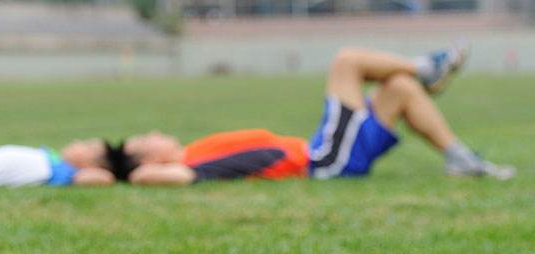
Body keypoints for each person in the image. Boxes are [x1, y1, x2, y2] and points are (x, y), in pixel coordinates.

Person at [114, 44, 517, 185]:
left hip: (325, 154)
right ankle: (429, 67)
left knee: (398, 89)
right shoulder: (188, 164)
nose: (152, 131)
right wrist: (124, 170)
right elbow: (150, 177)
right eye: (144, 140)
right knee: (347, 62)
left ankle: (460, 158)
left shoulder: (192, 150)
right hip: (324, 160)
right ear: (149, 159)